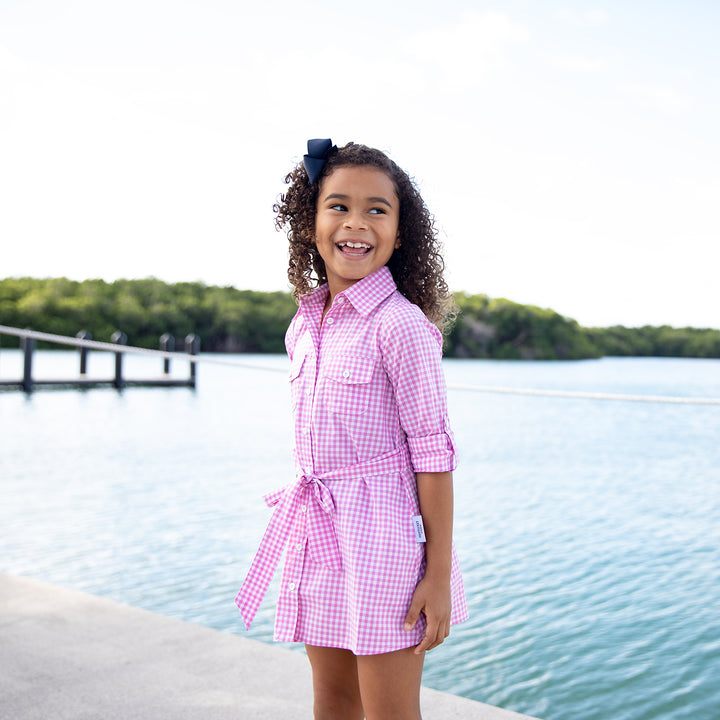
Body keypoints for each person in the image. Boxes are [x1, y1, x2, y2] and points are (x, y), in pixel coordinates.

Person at [236, 139, 468, 720]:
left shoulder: (401, 327)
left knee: (388, 713)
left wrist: (436, 575)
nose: (355, 223)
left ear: (399, 230)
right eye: (338, 205)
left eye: (377, 210)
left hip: (384, 542)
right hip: (317, 534)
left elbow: (433, 457)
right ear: (310, 220)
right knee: (332, 701)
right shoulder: (304, 323)